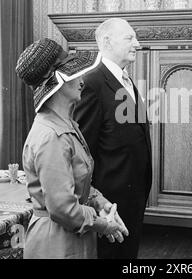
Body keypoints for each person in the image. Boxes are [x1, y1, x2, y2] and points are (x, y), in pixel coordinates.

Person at [16, 38, 129, 259]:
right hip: (56, 244)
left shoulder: (66, 125)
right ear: (58, 80)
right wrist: (104, 225)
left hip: (73, 236)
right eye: (73, 72)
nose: (81, 78)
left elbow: (77, 182)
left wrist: (100, 203)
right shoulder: (52, 136)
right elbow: (63, 209)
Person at [74, 18, 152, 259]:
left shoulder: (126, 80)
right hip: (109, 200)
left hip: (134, 195)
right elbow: (82, 150)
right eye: (129, 38)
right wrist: (95, 202)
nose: (136, 44)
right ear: (107, 42)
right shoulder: (92, 83)